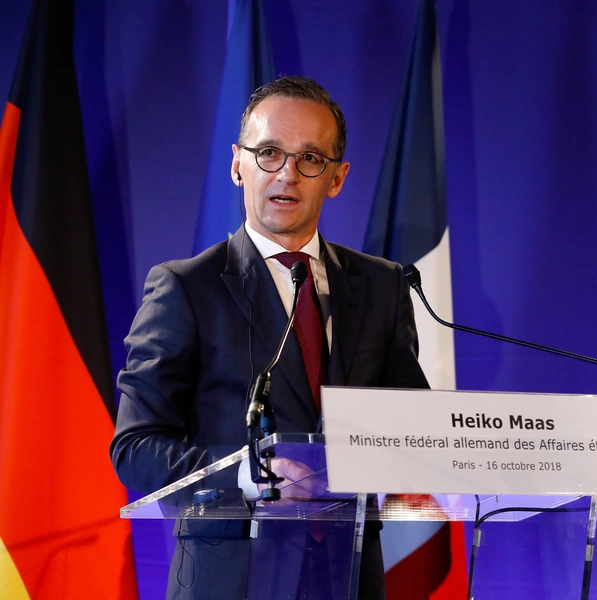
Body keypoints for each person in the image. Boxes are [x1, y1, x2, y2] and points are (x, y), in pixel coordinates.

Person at [110, 76, 429, 599]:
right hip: (233, 575)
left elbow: (411, 424)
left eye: (310, 159)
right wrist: (243, 474)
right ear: (238, 163)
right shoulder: (185, 288)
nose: (287, 174)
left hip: (347, 573)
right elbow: (136, 446)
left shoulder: (382, 284)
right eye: (269, 153)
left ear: (337, 177)